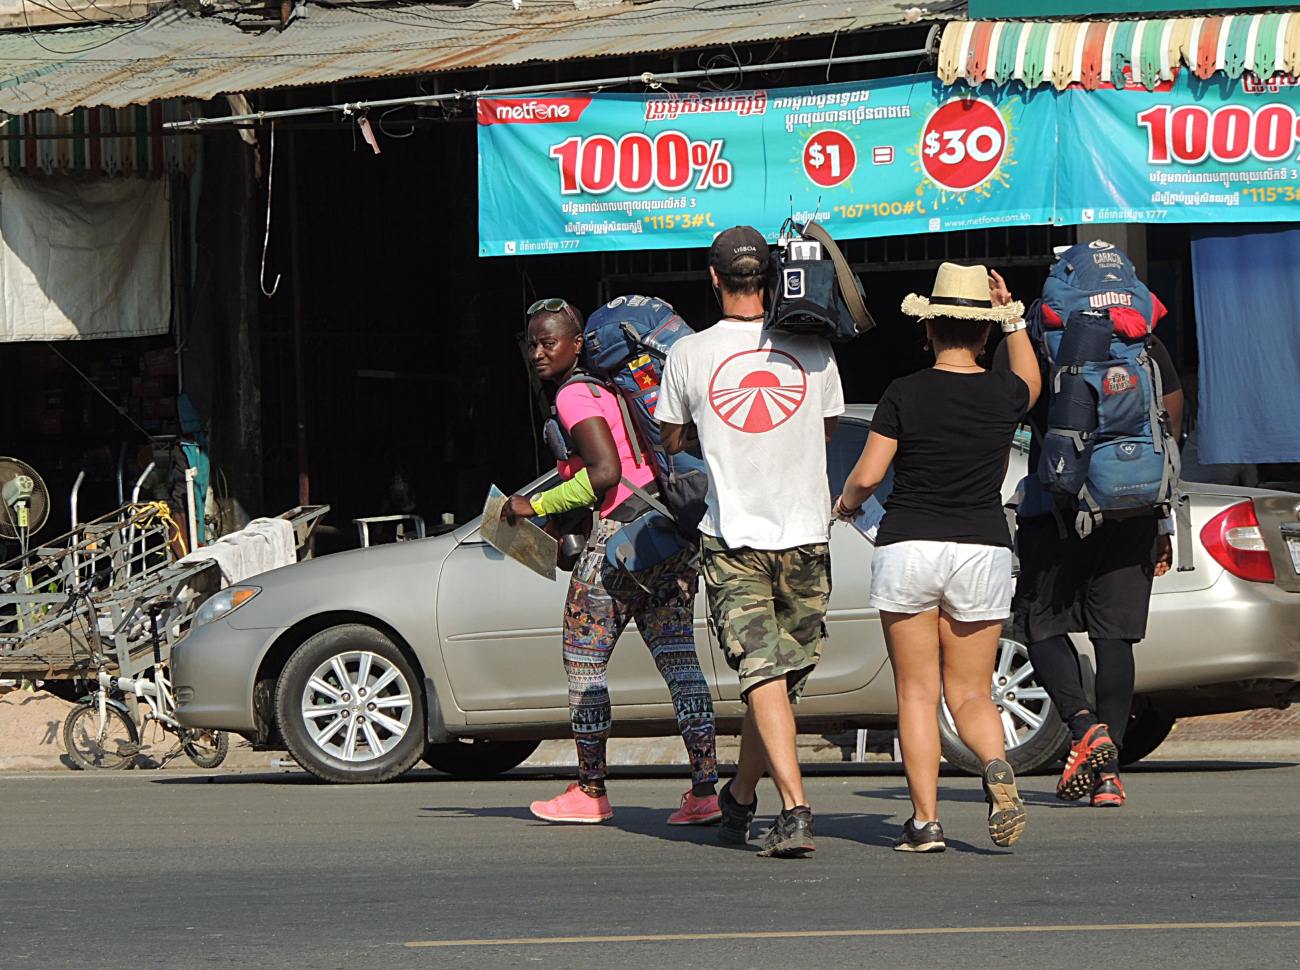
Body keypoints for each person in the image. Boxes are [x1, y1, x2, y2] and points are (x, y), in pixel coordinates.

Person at [835, 263, 1040, 853]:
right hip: (982, 549)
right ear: (984, 334)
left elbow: (869, 475)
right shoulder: (1004, 393)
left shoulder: (905, 392)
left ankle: (925, 822)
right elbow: (1029, 378)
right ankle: (995, 765)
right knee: (972, 692)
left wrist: (846, 504)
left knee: (917, 694)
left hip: (910, 546)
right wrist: (1015, 318)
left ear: (929, 332)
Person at [657, 227, 843, 858]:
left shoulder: (687, 353)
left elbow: (671, 437)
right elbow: (826, 428)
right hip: (805, 536)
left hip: (735, 534)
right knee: (768, 674)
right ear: (771, 276)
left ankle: (739, 795)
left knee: (773, 681)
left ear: (713, 279)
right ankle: (796, 806)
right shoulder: (814, 348)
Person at [503, 298, 720, 826]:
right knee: (680, 663)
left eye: (548, 341)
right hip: (664, 535)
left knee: (583, 664)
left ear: (578, 345)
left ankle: (591, 789)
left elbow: (603, 473)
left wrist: (534, 505)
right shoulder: (613, 389)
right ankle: (706, 789)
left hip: (618, 542)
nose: (537, 352)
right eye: (531, 342)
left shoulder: (576, 394)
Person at [995, 301, 1183, 810]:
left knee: (1041, 625)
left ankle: (1082, 727)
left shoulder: (1036, 338)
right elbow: (1169, 417)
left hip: (1056, 505)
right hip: (1132, 506)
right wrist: (1161, 511)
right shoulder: (1141, 340)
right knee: (1114, 638)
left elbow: (1012, 405)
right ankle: (1109, 775)